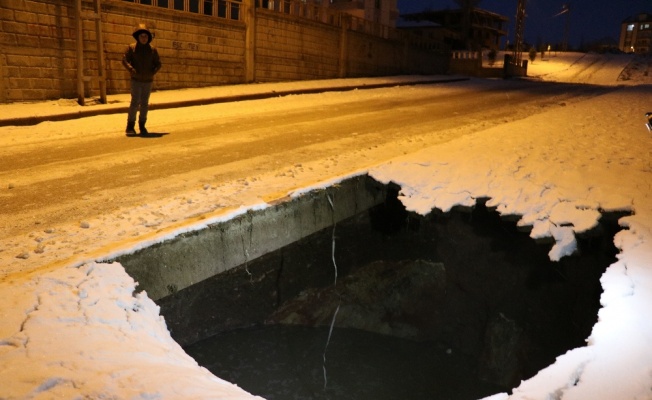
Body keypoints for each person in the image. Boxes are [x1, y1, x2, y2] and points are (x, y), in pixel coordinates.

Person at [122, 23, 161, 135]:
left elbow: (158, 63)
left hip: (147, 81)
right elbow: (124, 60)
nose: (144, 38)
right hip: (136, 80)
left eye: (145, 36)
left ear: (148, 38)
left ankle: (142, 125)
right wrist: (131, 69)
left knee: (144, 103)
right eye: (141, 36)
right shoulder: (132, 48)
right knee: (135, 103)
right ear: (138, 37)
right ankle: (130, 126)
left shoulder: (152, 50)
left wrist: (153, 72)